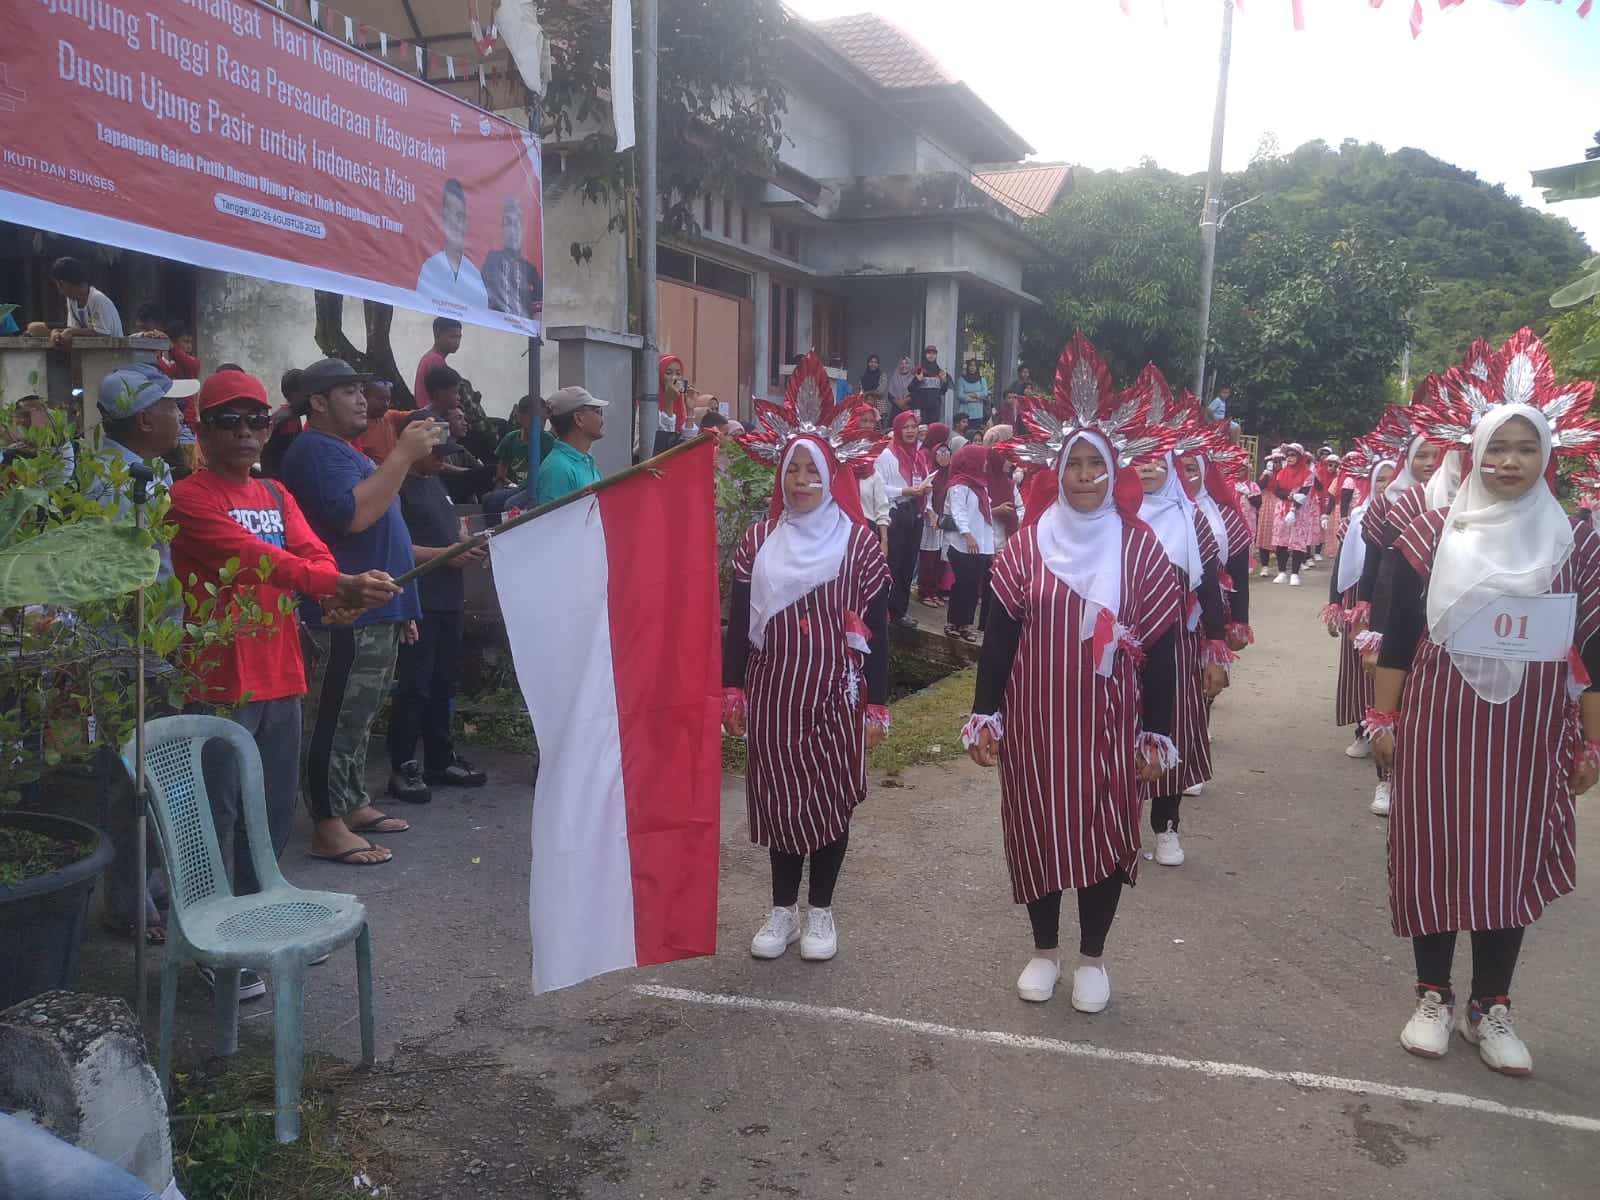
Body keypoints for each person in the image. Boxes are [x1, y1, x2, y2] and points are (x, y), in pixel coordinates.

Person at [1374, 379, 1600, 1077]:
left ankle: (1490, 1006)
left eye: (1525, 448)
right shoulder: (1432, 532)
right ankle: (1433, 997)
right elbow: (1398, 635)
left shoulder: (1575, 541)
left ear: (1547, 456)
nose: (1508, 462)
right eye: (1496, 448)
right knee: (1436, 848)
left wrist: (1592, 742)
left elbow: (1592, 648)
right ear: (1473, 453)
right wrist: (1382, 718)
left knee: (1511, 855)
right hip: (1440, 716)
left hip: (1532, 726)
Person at [169, 370, 401, 992]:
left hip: (281, 672)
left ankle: (261, 916)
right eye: (229, 421)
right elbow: (256, 558)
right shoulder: (188, 498)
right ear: (203, 429)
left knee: (270, 809)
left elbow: (311, 550)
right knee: (216, 812)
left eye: (256, 420)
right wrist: (336, 586)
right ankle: (211, 939)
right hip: (218, 680)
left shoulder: (275, 493)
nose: (246, 432)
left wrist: (332, 586)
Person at [964, 355, 1182, 1012]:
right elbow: (998, 641)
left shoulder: (1140, 549)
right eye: (1074, 465)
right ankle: (1044, 951)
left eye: (1095, 465)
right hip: (1036, 723)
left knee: (1105, 834)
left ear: (1113, 471)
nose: (1085, 477)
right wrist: (985, 716)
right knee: (1036, 830)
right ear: (1055, 473)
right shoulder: (1026, 547)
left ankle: (1091, 957)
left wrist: (1157, 733)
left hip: (1111, 727)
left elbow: (1163, 648)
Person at [722, 356, 892, 963]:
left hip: (836, 697)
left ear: (830, 474)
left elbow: (879, 629)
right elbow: (738, 623)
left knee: (829, 798)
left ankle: (821, 910)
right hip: (773, 693)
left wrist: (877, 702)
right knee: (780, 800)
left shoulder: (858, 543)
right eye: (792, 469)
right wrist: (732, 690)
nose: (801, 480)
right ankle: (782, 911)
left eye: (811, 470)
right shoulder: (759, 542)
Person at [278, 357, 439, 863]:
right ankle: (327, 824)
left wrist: (405, 605)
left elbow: (389, 533)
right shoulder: (313, 449)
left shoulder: (346, 451)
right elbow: (353, 517)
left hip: (378, 609)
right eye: (349, 391)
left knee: (359, 717)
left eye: (362, 390)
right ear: (318, 402)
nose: (362, 400)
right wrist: (403, 456)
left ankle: (350, 802)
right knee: (334, 716)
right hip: (343, 609)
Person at [85, 363, 193, 946]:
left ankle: (147, 884)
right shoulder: (120, 483)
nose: (181, 416)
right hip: (132, 651)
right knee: (132, 777)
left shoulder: (143, 470)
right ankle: (128, 900)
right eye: (172, 408)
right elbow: (121, 577)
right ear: (145, 419)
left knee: (150, 772)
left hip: (152, 646)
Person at [1136, 449, 1230, 865]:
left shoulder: (1190, 518)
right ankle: (1118, 829)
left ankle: (1166, 826)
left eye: (1158, 460)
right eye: (1138, 459)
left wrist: (1215, 653)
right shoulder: (1111, 516)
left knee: (1170, 729)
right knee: (1116, 732)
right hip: (1121, 649)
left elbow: (1208, 589)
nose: (1147, 468)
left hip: (1177, 644)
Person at [390, 413, 491, 800]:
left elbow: (452, 530)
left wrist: (469, 543)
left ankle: (439, 757)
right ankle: (403, 764)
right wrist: (445, 554)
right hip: (419, 600)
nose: (444, 460)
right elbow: (397, 546)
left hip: (449, 597)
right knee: (415, 685)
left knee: (444, 682)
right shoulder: (395, 486)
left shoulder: (436, 482)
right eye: (437, 453)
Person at [1321, 457, 1396, 816]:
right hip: (1360, 602)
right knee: (1359, 671)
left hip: (1395, 604)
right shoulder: (1357, 517)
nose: (1386, 485)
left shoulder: (1416, 515)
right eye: (1380, 479)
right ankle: (1362, 730)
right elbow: (1343, 563)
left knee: (1390, 671)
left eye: (1392, 478)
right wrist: (1337, 603)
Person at [874, 410, 931, 629]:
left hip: (914, 513)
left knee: (908, 563)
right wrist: (904, 491)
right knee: (893, 564)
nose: (910, 431)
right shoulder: (887, 455)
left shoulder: (919, 455)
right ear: (897, 429)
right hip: (895, 514)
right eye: (905, 427)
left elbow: (922, 480)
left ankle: (900, 610)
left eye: (913, 427)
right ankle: (885, 611)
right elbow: (880, 488)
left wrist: (925, 489)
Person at [942, 443, 995, 643]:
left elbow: (986, 519)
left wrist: (990, 546)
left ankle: (965, 624)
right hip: (963, 544)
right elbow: (959, 512)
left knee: (973, 586)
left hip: (980, 546)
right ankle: (953, 622)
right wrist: (968, 535)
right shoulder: (959, 486)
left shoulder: (981, 486)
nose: (986, 463)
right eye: (983, 460)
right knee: (963, 583)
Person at [415, 178, 489, 308]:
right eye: (449, 216)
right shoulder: (429, 269)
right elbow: (420, 310)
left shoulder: (475, 278)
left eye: (459, 217)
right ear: (442, 221)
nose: (454, 223)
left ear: (466, 224)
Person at [536, 385, 607, 504]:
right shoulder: (557, 469)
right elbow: (556, 515)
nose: (601, 418)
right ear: (579, 419)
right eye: (597, 411)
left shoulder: (585, 460)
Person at [1264, 443, 1319, 585]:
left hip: (1299, 511)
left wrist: (1294, 509)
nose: (1289, 458)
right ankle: (1282, 572)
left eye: (1293, 455)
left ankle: (1295, 573)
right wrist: (1290, 496)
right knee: (1280, 541)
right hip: (1282, 509)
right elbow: (1277, 491)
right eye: (1288, 455)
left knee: (1297, 542)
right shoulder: (1282, 473)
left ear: (1300, 457)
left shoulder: (1308, 475)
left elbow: (1303, 494)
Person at [480, 196, 543, 318]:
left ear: (523, 229)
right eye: (508, 223)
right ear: (502, 229)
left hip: (523, 329)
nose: (512, 231)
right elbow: (483, 302)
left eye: (517, 224)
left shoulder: (531, 271)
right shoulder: (492, 262)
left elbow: (538, 314)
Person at [917, 423, 952, 610]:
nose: (944, 456)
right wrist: (931, 516)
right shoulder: (931, 474)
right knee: (928, 558)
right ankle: (926, 592)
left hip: (943, 522)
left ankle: (935, 590)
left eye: (947, 453)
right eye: (940, 453)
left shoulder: (950, 475)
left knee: (939, 558)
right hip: (931, 523)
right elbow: (927, 497)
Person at [48, 256, 122, 343]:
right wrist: (56, 332)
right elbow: (75, 329)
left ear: (62, 283)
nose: (60, 291)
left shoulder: (96, 299)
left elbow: (103, 334)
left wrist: (70, 332)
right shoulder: (71, 301)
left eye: (57, 285)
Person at [412, 318, 463, 407]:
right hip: (431, 413)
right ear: (437, 335)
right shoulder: (435, 361)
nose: (457, 342)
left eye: (459, 337)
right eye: (452, 337)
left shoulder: (430, 358)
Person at [656, 354, 695, 453]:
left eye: (678, 374)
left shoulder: (679, 405)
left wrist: (690, 410)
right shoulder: (646, 407)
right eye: (668, 373)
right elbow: (664, 441)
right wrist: (669, 401)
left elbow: (688, 444)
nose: (674, 378)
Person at [910, 345, 952, 424]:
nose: (931, 355)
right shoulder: (919, 370)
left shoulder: (940, 372)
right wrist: (917, 380)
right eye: (929, 353)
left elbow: (942, 392)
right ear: (925, 355)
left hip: (934, 409)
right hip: (921, 408)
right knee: (921, 429)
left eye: (934, 353)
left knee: (933, 429)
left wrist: (945, 382)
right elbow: (910, 388)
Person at [956, 359, 990, 426]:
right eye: (970, 365)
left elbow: (984, 393)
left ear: (977, 367)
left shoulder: (982, 380)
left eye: (974, 366)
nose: (972, 367)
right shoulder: (961, 380)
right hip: (964, 413)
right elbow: (960, 395)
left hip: (978, 414)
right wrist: (974, 399)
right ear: (967, 367)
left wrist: (968, 394)